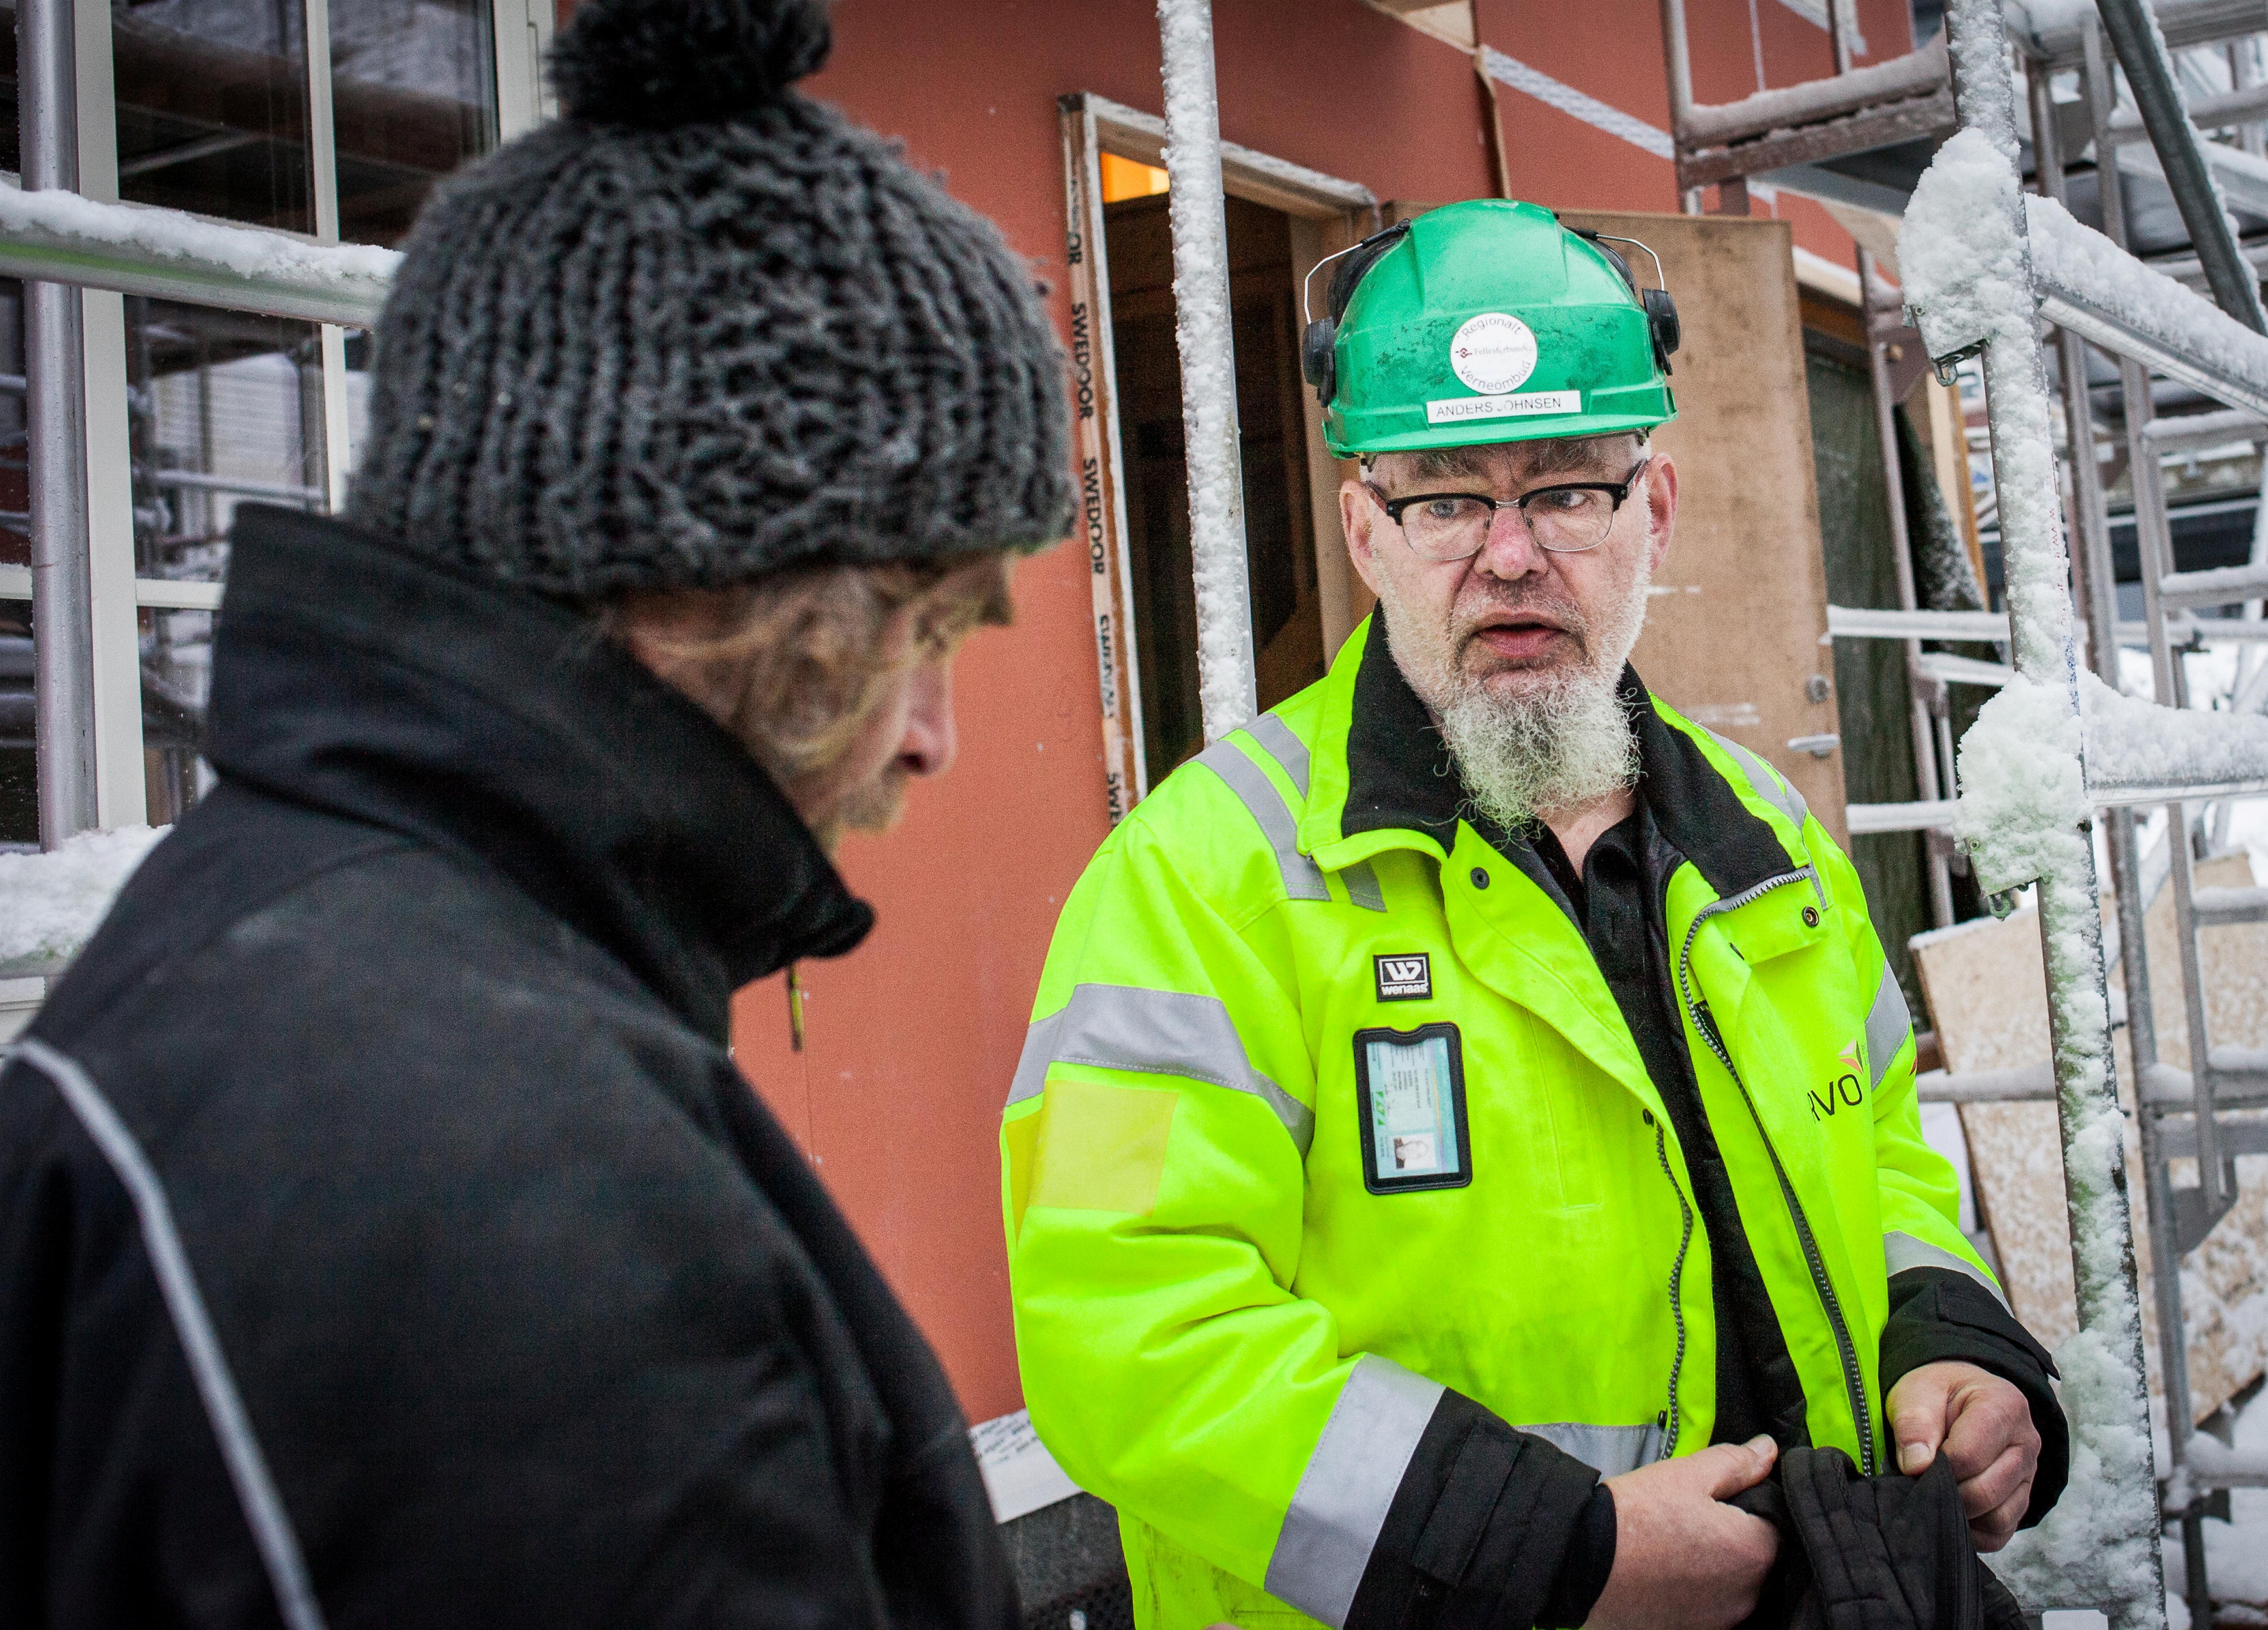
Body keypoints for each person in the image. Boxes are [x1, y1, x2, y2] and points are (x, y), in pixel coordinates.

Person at [0, 1, 1069, 1625]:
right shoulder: (501, 1206)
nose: (932, 735)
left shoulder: (300, 942)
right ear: (702, 560)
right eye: (916, 621)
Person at [1002, 201, 2066, 1630]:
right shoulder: (1202, 879)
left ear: (1657, 508)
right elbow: (1128, 1336)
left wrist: (1957, 1342)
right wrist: (1557, 1551)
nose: (1510, 555)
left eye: (1568, 489)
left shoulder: (1767, 841)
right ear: (1364, 529)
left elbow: (1884, 1163)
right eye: (1446, 495)